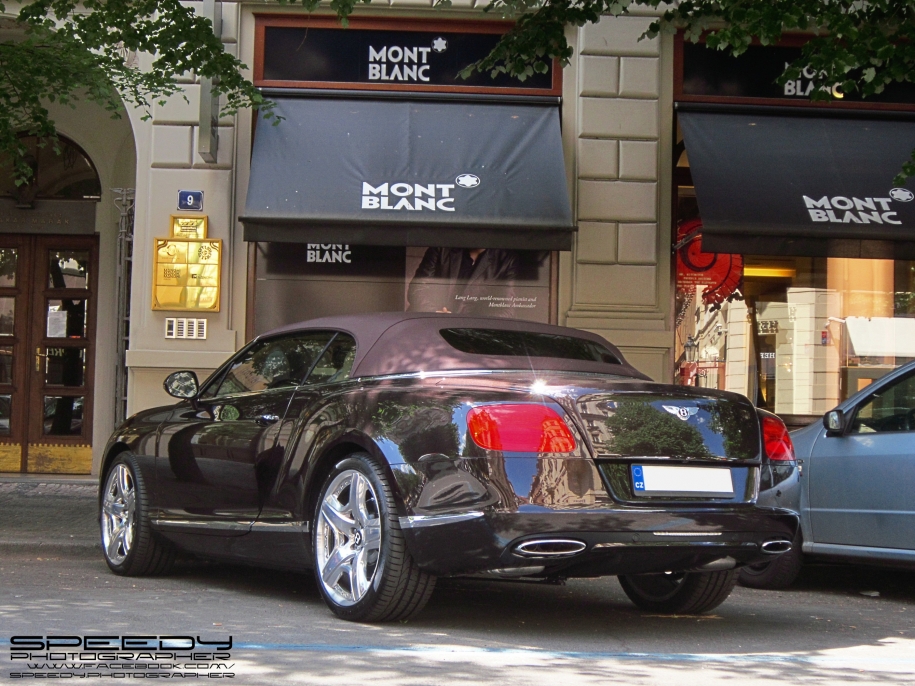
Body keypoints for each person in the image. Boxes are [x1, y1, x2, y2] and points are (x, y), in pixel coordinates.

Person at [407, 247, 519, 317]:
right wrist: (434, 312)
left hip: (472, 335)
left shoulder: (506, 259)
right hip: (431, 324)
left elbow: (507, 308)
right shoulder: (441, 248)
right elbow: (417, 289)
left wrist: (476, 328)